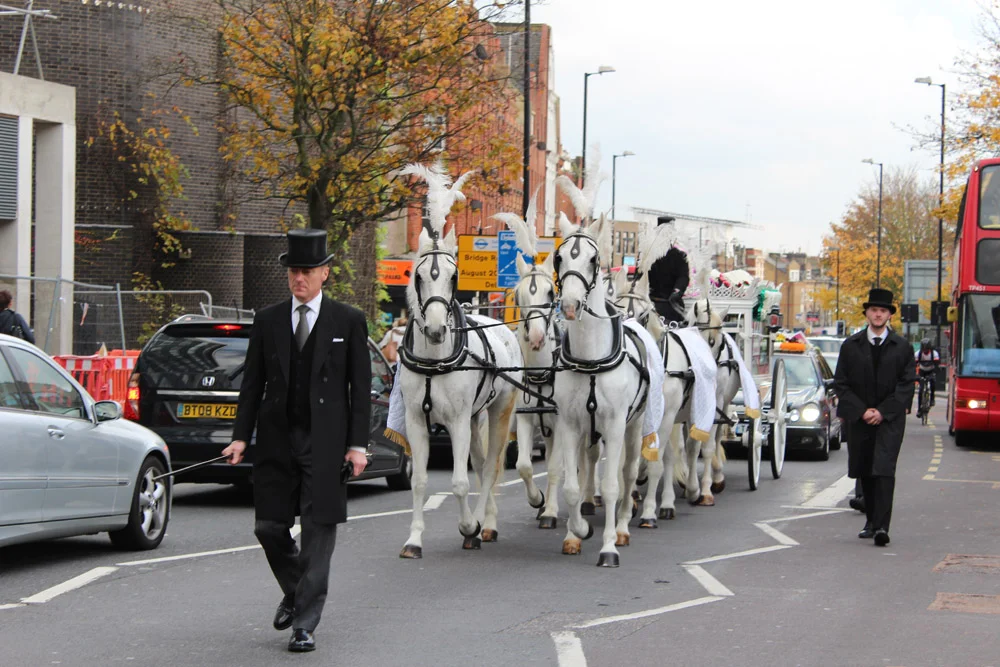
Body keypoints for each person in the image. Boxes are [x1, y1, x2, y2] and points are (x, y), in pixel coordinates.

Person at [222, 229, 371, 653]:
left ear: (325, 273)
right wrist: (239, 438)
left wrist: (357, 446)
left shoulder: (348, 321)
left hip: (325, 444)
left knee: (319, 531)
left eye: (306, 271)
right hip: (276, 440)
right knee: (268, 526)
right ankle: (295, 590)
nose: (298, 278)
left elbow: (359, 390)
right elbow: (252, 386)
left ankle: (304, 623)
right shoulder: (268, 321)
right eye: (293, 271)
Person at [833, 288, 915, 547]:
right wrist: (862, 411)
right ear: (867, 313)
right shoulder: (851, 346)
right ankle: (870, 521)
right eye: (874, 310)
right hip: (861, 419)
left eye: (883, 311)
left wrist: (883, 411)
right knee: (865, 468)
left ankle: (882, 526)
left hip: (889, 420)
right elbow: (841, 383)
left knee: (884, 469)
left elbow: (906, 384)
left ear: (889, 315)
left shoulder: (902, 347)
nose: (878, 315)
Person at [647, 216, 690, 325]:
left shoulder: (679, 256)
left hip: (671, 304)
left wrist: (677, 291)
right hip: (650, 303)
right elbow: (642, 275)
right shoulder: (648, 255)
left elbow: (683, 277)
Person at [914, 337, 940, 417]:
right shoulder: (918, 354)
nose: (925, 351)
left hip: (931, 370)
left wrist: (934, 374)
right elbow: (914, 365)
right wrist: (916, 375)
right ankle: (919, 409)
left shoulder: (934, 354)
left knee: (933, 383)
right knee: (921, 390)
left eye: (927, 350)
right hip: (922, 371)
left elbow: (936, 365)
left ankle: (932, 399)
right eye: (924, 349)